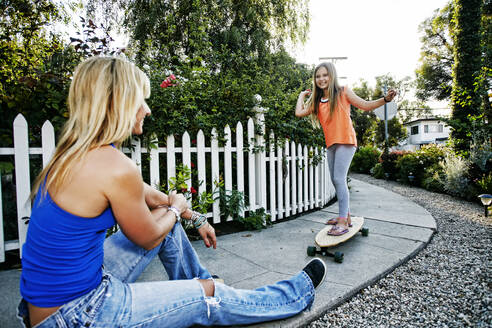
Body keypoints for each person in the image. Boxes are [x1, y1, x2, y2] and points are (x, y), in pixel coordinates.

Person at [18, 56, 327, 328]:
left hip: (45, 307)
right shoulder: (114, 165)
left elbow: (149, 196)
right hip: (78, 315)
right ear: (120, 102)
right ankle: (274, 295)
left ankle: (205, 285)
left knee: (164, 221)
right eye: (141, 100)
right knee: (204, 292)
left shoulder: (74, 154)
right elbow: (149, 235)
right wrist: (177, 209)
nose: (147, 110)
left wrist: (190, 214)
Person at [295, 62, 396, 236]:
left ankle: (342, 221)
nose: (322, 79)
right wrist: (301, 96)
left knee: (339, 179)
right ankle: (346, 215)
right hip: (331, 144)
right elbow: (299, 112)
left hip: (346, 142)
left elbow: (365, 105)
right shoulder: (318, 101)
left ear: (332, 75)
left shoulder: (342, 92)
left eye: (325, 75)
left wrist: (385, 100)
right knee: (335, 181)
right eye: (318, 76)